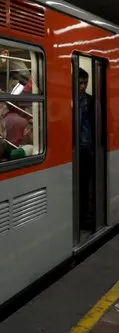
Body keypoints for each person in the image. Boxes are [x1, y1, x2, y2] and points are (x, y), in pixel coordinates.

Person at [78, 68, 94, 228]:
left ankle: (85, 216)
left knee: (86, 185)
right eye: (80, 83)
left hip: (88, 149)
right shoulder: (68, 100)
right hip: (76, 150)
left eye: (85, 83)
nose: (83, 86)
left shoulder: (90, 100)